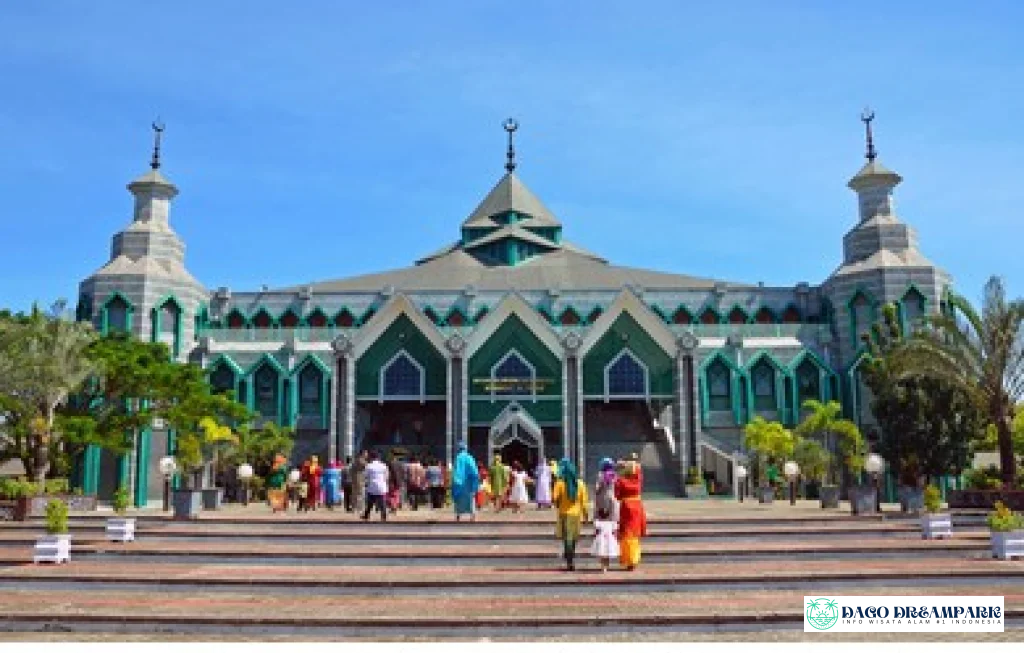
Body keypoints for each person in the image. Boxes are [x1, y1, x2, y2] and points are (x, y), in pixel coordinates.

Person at [553, 458, 589, 571]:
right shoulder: (580, 484)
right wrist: (586, 515)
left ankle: (569, 559)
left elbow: (554, 498)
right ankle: (570, 555)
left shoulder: (560, 483)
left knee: (567, 538)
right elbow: (584, 502)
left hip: (564, 514)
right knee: (573, 538)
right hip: (576, 515)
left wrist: (559, 503)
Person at [614, 458, 647, 571]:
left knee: (627, 534)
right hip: (637, 506)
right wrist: (628, 464)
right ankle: (633, 559)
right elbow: (638, 470)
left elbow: (617, 495)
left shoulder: (622, 480)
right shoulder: (637, 479)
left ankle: (629, 559)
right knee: (634, 534)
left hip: (626, 507)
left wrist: (620, 469)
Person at [451, 445, 480, 521]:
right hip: (469, 483)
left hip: (459, 483)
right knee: (471, 499)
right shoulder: (469, 457)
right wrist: (475, 481)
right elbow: (474, 471)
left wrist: (455, 481)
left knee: (458, 499)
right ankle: (472, 516)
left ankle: (458, 516)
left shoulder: (458, 458)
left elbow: (455, 471)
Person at [361, 451, 389, 521]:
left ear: (371, 458)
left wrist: (366, 482)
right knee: (382, 502)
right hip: (382, 486)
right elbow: (386, 476)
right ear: (378, 458)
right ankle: (384, 515)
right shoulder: (383, 465)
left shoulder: (369, 466)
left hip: (372, 486)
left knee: (370, 502)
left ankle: (366, 515)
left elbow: (365, 476)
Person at [590, 508, 620, 573]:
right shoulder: (612, 523)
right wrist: (615, 539)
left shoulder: (598, 523)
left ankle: (603, 567)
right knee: (607, 554)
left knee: (602, 554)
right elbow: (614, 532)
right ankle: (606, 566)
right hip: (610, 540)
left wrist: (595, 536)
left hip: (601, 539)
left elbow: (596, 531)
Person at [594, 457, 619, 522]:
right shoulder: (615, 475)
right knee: (612, 519)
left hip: (602, 500)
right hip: (612, 499)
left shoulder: (600, 475)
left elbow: (597, 488)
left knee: (601, 520)